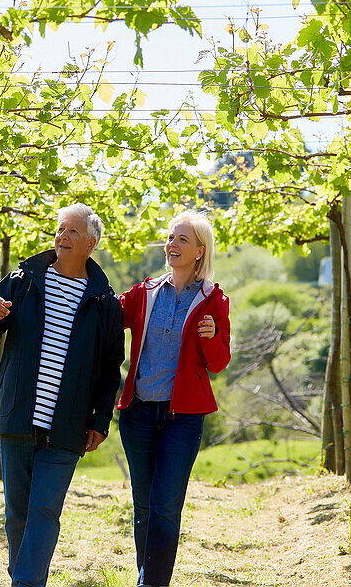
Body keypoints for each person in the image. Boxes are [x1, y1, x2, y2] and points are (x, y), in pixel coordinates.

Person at [0, 203, 124, 587]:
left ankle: (24, 584)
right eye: (60, 229)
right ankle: (27, 580)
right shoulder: (23, 280)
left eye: (72, 231)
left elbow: (110, 369)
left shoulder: (104, 302)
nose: (62, 236)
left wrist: (99, 421)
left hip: (68, 426)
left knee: (44, 510)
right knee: (17, 514)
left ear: (91, 242)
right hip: (18, 417)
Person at [117, 210, 231, 587]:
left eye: (182, 239)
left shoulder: (214, 300)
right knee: (145, 508)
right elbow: (107, 317)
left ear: (200, 250)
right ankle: (147, 577)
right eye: (170, 238)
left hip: (183, 418)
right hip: (138, 415)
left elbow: (217, 364)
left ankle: (150, 584)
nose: (172, 245)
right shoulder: (145, 292)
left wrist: (211, 336)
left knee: (165, 507)